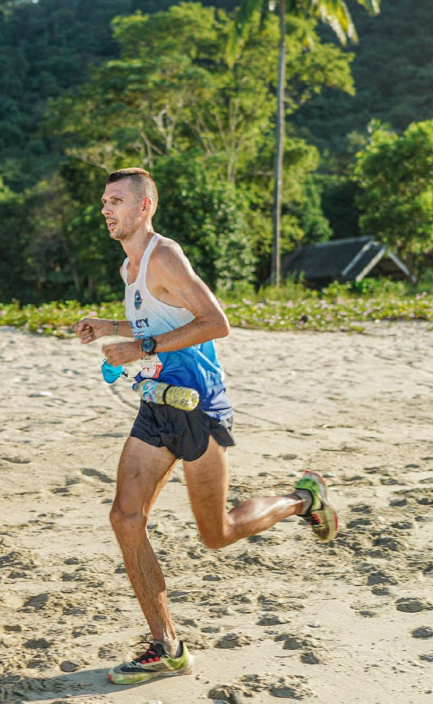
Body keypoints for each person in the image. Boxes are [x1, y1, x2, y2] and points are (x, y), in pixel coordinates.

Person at [73, 167, 339, 686]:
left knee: (217, 534)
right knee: (126, 519)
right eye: (104, 201)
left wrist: (141, 348)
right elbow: (163, 321)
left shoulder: (163, 255)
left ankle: (304, 499)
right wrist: (114, 328)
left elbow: (216, 321)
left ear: (145, 207)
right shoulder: (130, 268)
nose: (106, 209)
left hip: (197, 409)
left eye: (117, 201)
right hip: (157, 405)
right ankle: (165, 645)